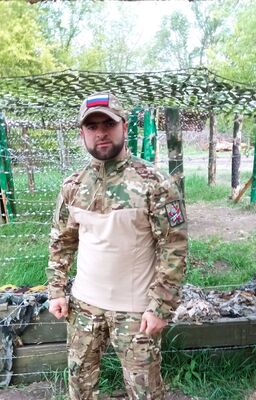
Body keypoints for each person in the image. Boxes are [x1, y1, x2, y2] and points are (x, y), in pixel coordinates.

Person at [46, 92, 188, 400]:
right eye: (92, 126)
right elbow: (62, 241)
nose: (101, 132)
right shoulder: (73, 186)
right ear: (82, 133)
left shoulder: (155, 183)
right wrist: (56, 290)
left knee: (144, 392)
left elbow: (174, 249)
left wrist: (161, 307)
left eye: (108, 124)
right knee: (79, 387)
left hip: (136, 312)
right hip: (83, 308)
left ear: (123, 126)